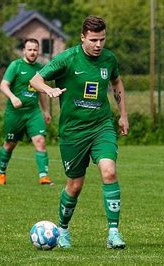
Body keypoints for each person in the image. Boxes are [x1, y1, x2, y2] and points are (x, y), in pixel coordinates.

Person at [30, 15, 129, 249]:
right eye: (94, 40)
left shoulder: (109, 59)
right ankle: (63, 230)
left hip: (101, 126)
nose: (98, 45)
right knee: (75, 185)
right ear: (83, 37)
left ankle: (113, 233)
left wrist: (123, 114)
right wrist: (48, 90)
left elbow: (117, 83)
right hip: (73, 132)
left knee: (109, 172)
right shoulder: (67, 59)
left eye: (102, 39)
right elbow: (35, 80)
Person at [0, 38, 53, 186]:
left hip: (33, 113)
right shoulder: (16, 65)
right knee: (9, 144)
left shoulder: (40, 69)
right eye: (30, 49)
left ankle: (44, 176)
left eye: (35, 50)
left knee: (40, 141)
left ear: (38, 51)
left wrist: (46, 111)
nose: (32, 52)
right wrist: (13, 97)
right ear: (24, 51)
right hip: (15, 114)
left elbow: (41, 92)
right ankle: (1, 173)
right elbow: (3, 85)